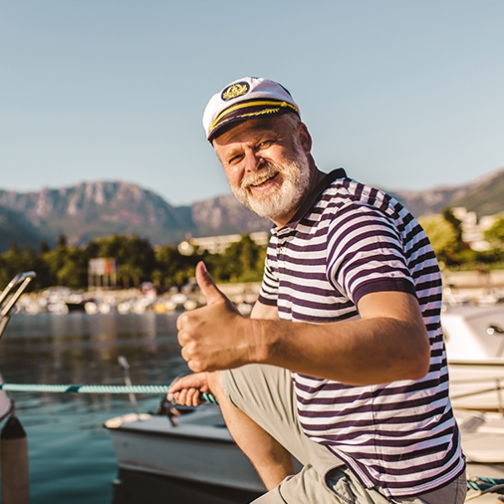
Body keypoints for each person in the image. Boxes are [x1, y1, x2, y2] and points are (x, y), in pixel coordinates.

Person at [170, 77, 466, 503]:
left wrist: (249, 339)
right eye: (234, 156)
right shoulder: (289, 229)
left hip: (390, 482)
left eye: (264, 143)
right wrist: (217, 363)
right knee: (226, 373)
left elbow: (408, 349)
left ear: (302, 139)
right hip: (345, 450)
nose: (251, 164)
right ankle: (290, 492)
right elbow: (262, 323)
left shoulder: (351, 221)